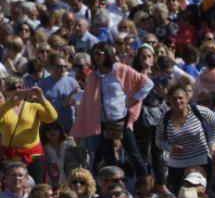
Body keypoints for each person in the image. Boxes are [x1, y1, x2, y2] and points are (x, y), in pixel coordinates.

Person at [70, 41, 152, 176]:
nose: (96, 57)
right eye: (94, 54)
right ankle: (115, 185)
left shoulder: (120, 69)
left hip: (121, 119)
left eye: (99, 54)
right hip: (103, 122)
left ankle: (145, 183)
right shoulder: (94, 75)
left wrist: (134, 99)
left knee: (133, 154)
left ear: (107, 53)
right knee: (109, 159)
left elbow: (147, 84)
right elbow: (89, 98)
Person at [0, 81, 57, 183]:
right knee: (12, 188)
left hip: (33, 156)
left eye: (20, 87)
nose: (17, 90)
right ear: (6, 91)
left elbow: (52, 117)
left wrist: (41, 98)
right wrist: (11, 101)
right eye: (13, 87)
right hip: (11, 158)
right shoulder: (4, 109)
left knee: (37, 188)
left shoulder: (33, 107)